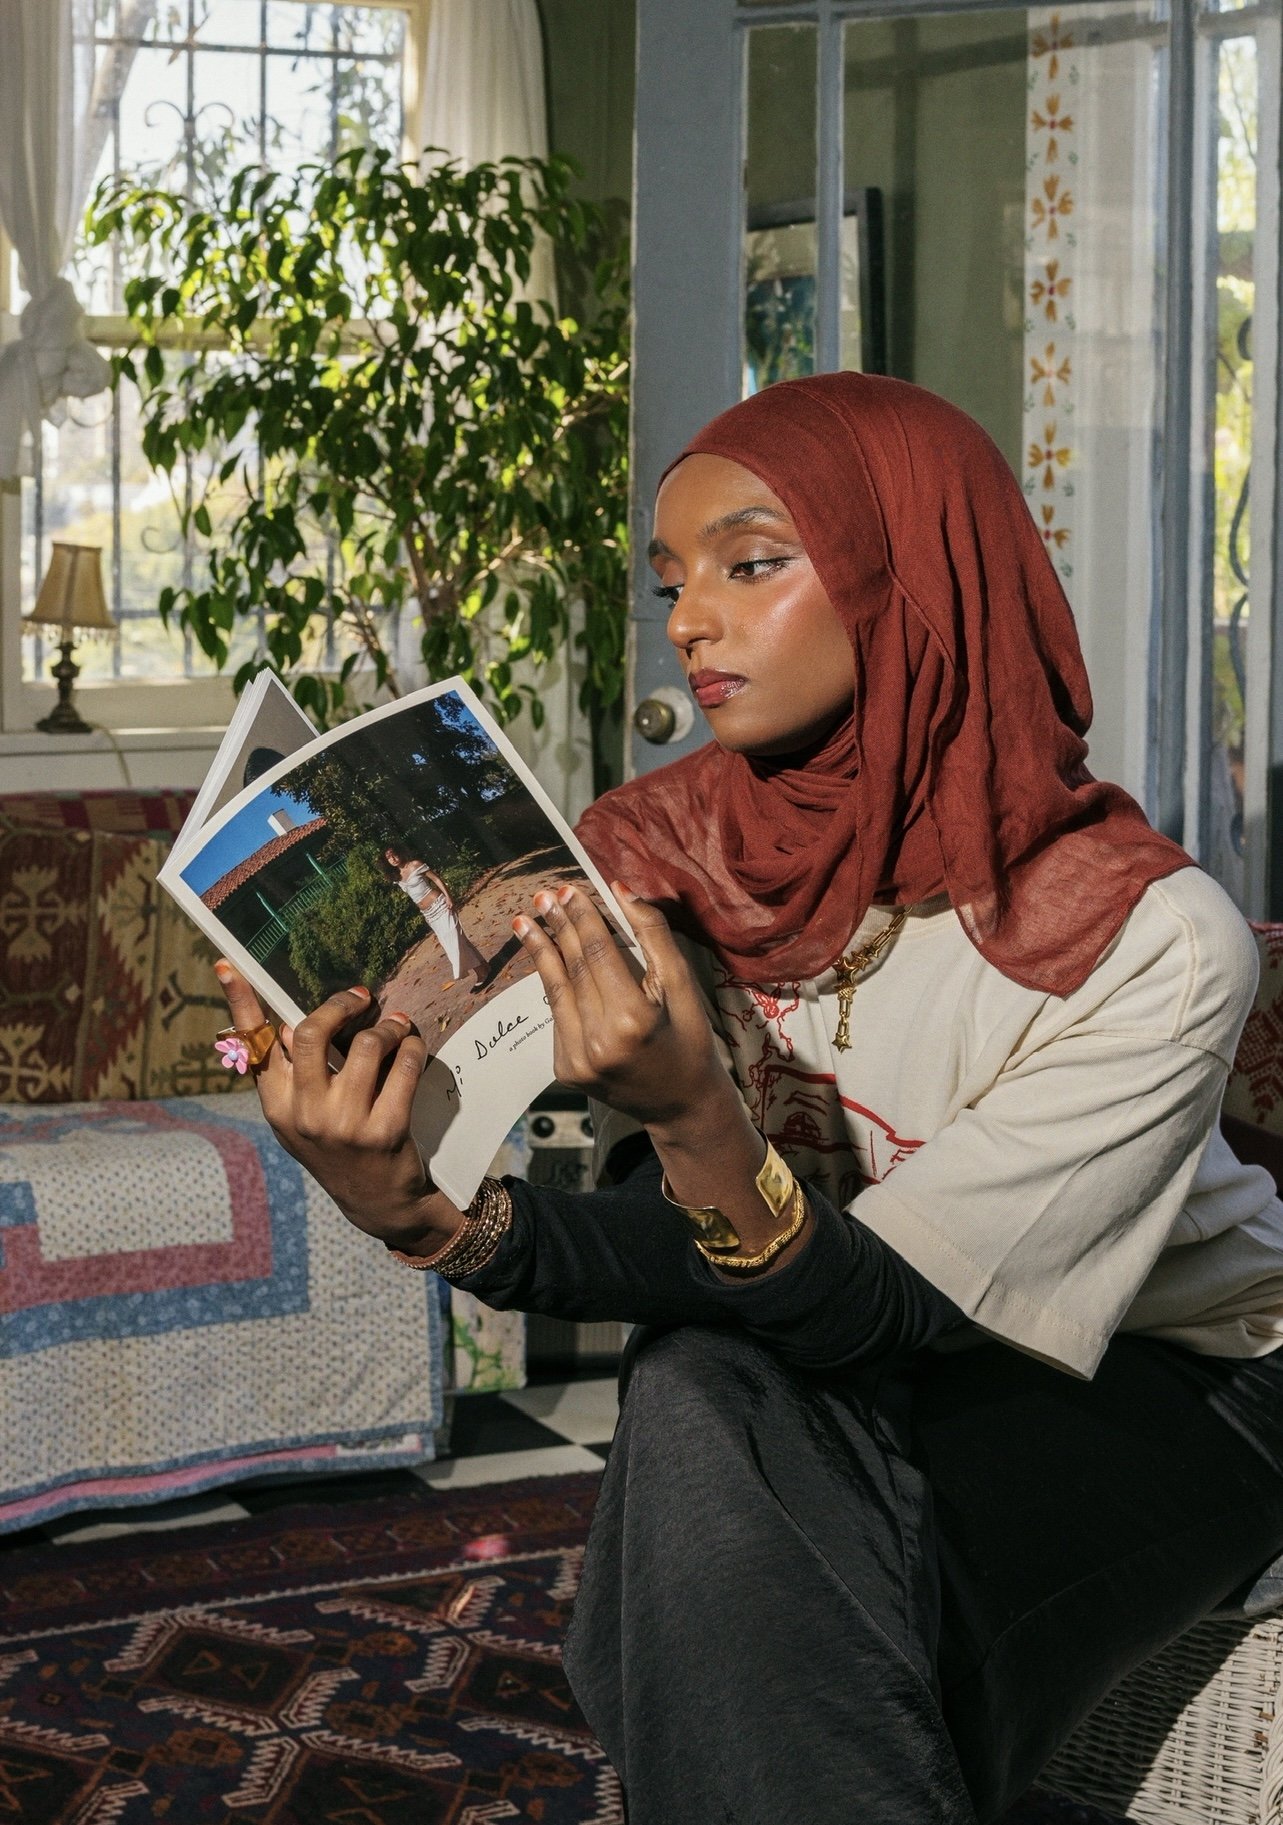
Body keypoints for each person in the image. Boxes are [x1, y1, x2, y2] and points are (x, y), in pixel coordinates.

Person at [214, 373, 1283, 1825]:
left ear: (914, 578)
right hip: (830, 1333)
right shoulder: (651, 858)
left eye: (751, 562)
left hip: (1175, 1373)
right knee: (697, 1392)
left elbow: (882, 1307)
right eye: (672, 582)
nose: (688, 621)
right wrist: (422, 1211)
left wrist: (694, 1115)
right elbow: (690, 1256)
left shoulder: (1150, 938)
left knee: (759, 1563)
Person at [384, 845, 487, 989]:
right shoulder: (397, 877)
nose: (393, 859)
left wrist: (448, 897)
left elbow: (436, 879)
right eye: (389, 858)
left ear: (400, 853)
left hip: (440, 905)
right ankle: (484, 966)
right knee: (456, 941)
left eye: (394, 855)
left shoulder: (415, 864)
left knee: (454, 940)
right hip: (429, 914)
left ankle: (481, 973)